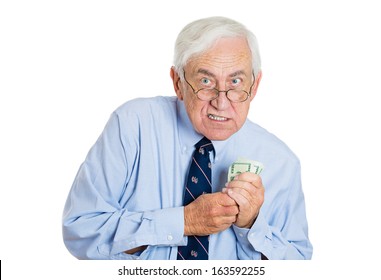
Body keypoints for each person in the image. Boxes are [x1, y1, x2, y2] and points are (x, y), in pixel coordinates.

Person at [62, 16, 313, 260]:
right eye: (205, 81)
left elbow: (298, 266)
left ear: (255, 86)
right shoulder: (132, 125)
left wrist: (251, 226)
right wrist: (183, 221)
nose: (221, 102)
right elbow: (80, 230)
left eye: (236, 82)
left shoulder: (281, 162)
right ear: (178, 83)